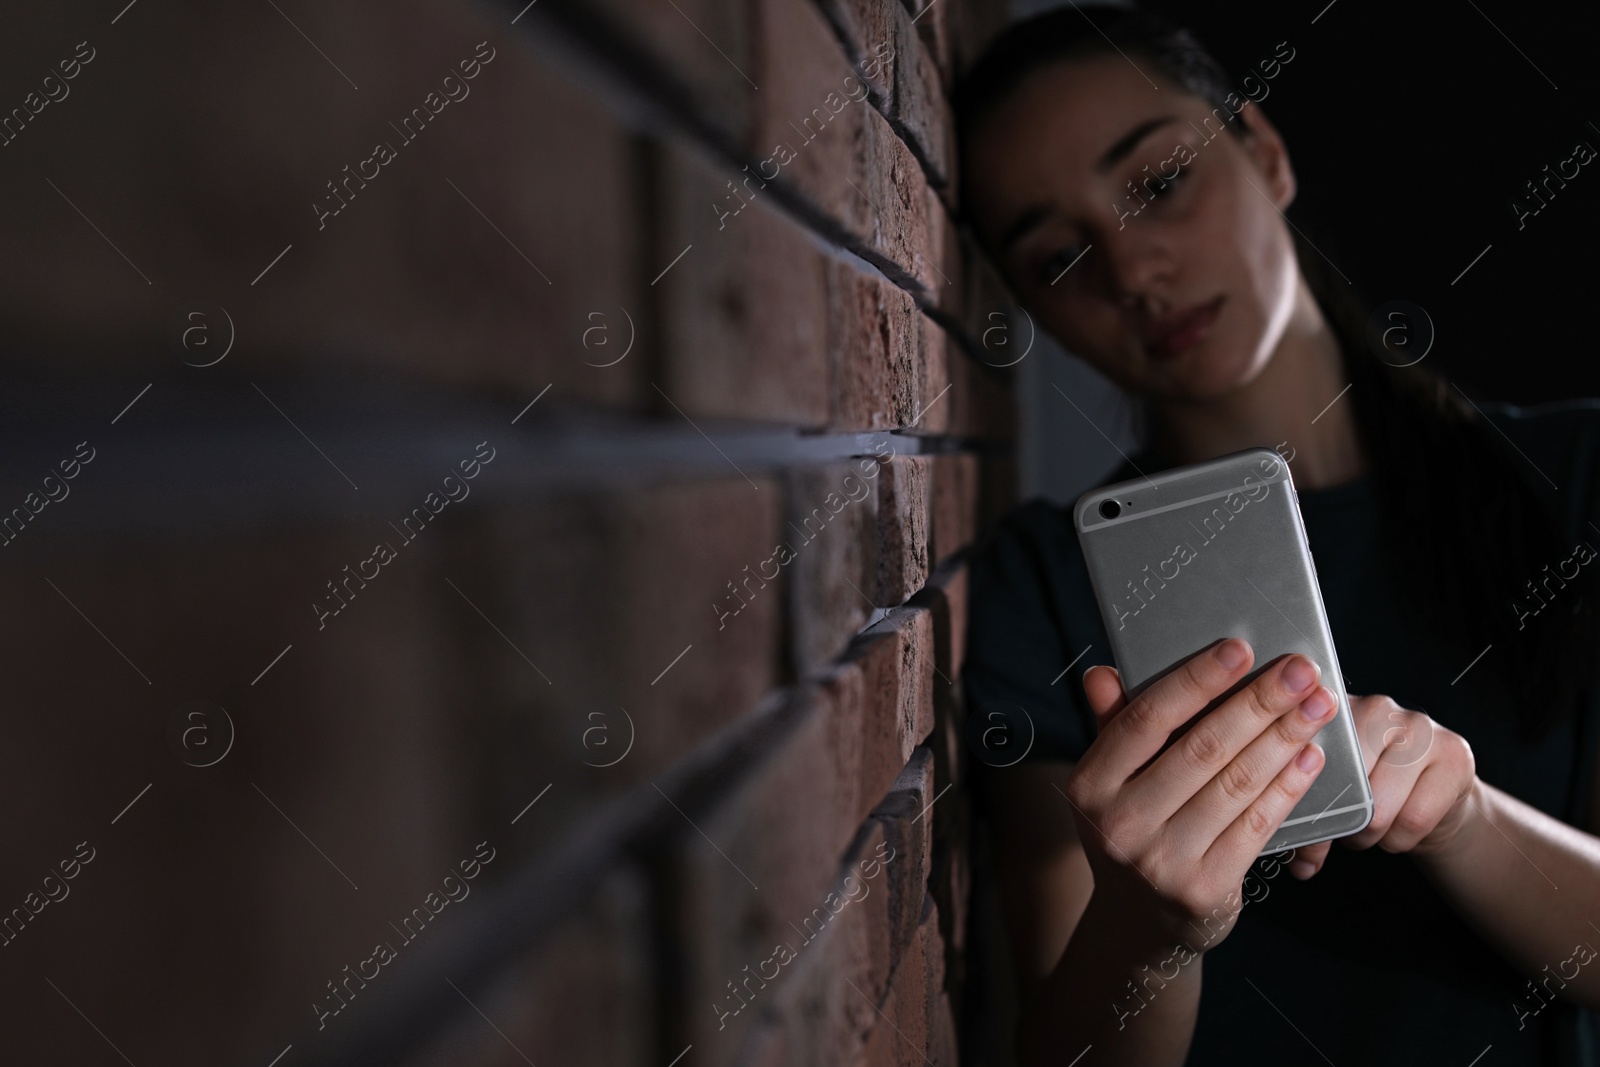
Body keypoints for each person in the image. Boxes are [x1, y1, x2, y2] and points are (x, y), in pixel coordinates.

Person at [954, 6, 1600, 1066]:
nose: (1132, 270)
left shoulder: (1571, 482)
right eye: (1058, 256)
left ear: (1262, 152)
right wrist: (1150, 929)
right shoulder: (1045, 582)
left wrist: (1463, 820)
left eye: (1159, 183)